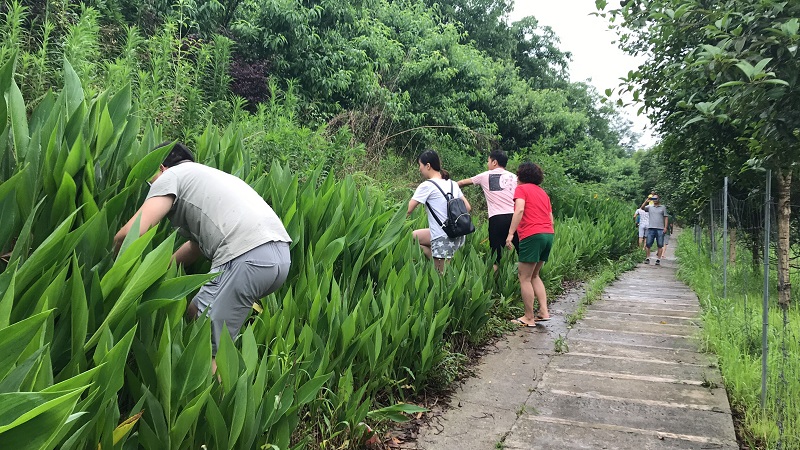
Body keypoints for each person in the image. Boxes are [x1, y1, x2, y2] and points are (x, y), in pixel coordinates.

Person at [113, 142, 292, 370]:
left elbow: (130, 234)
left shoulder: (172, 176)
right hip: (277, 258)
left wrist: (116, 268)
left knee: (205, 344)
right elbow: (196, 246)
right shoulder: (208, 177)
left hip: (245, 256)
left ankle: (216, 403)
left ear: (161, 167)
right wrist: (158, 270)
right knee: (195, 313)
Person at [506, 162, 554, 327]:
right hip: (548, 234)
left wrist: (511, 233)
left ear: (520, 176)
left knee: (524, 277)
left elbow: (519, 210)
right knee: (534, 275)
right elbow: (550, 217)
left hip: (532, 234)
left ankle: (529, 317)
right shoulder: (543, 193)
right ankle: (544, 311)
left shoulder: (522, 189)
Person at [408, 150, 471, 274]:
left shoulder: (427, 185)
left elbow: (408, 210)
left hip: (442, 237)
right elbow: (468, 207)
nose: (419, 169)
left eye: (420, 165)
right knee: (411, 237)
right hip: (457, 234)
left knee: (440, 278)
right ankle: (435, 259)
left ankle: (440, 266)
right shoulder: (453, 184)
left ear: (428, 166)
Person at [458, 150, 518, 271]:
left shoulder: (485, 175)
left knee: (495, 256)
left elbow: (463, 182)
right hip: (515, 217)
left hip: (497, 218)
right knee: (523, 253)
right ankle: (527, 280)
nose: (488, 164)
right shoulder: (514, 177)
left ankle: (494, 286)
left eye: (488, 161)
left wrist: (447, 186)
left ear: (494, 162)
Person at [641, 193, 669, 265]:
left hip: (660, 228)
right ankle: (647, 258)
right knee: (648, 244)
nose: (654, 200)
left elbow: (666, 217)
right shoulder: (650, 207)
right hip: (651, 228)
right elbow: (642, 208)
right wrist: (646, 201)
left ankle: (658, 259)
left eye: (656, 198)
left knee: (660, 244)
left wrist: (665, 227)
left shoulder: (663, 207)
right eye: (653, 199)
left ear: (659, 199)